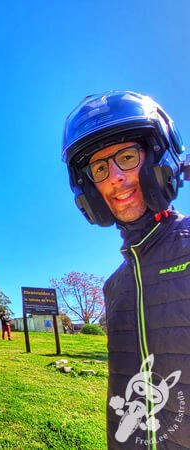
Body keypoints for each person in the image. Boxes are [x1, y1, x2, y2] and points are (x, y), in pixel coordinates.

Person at [62, 91, 190, 448]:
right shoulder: (115, 286)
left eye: (128, 156)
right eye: (100, 169)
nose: (115, 177)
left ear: (157, 158)